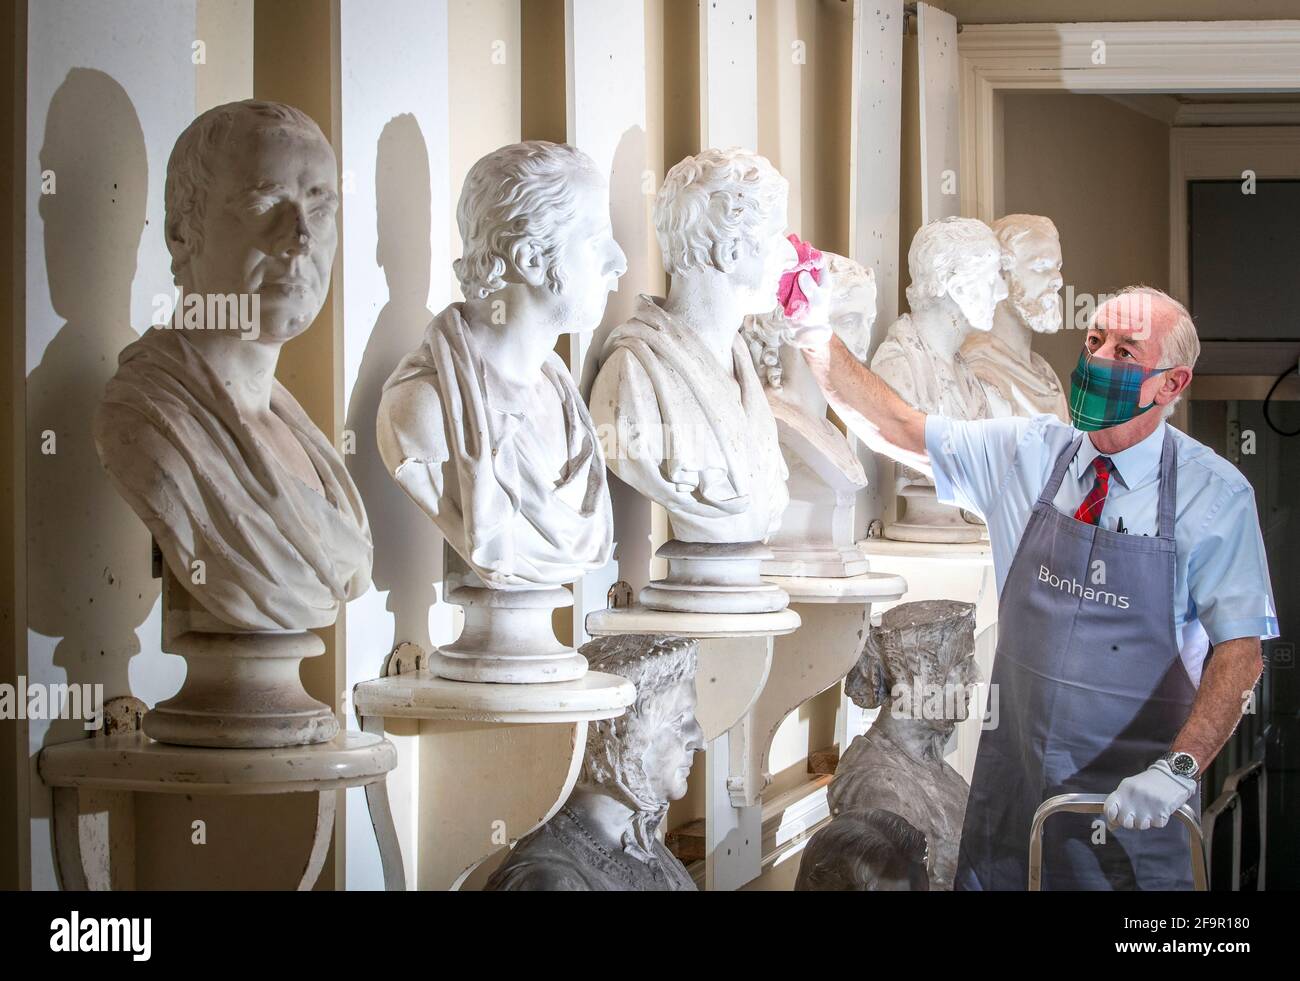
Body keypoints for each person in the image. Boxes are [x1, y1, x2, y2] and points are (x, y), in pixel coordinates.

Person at [792, 281, 1277, 890]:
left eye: (1125, 352)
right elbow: (895, 425)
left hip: (1134, 826)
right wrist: (813, 332)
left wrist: (1179, 769)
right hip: (1014, 819)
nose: (1099, 359)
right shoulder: (1026, 452)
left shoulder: (1215, 496)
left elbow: (1241, 652)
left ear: (1172, 384)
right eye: (1093, 340)